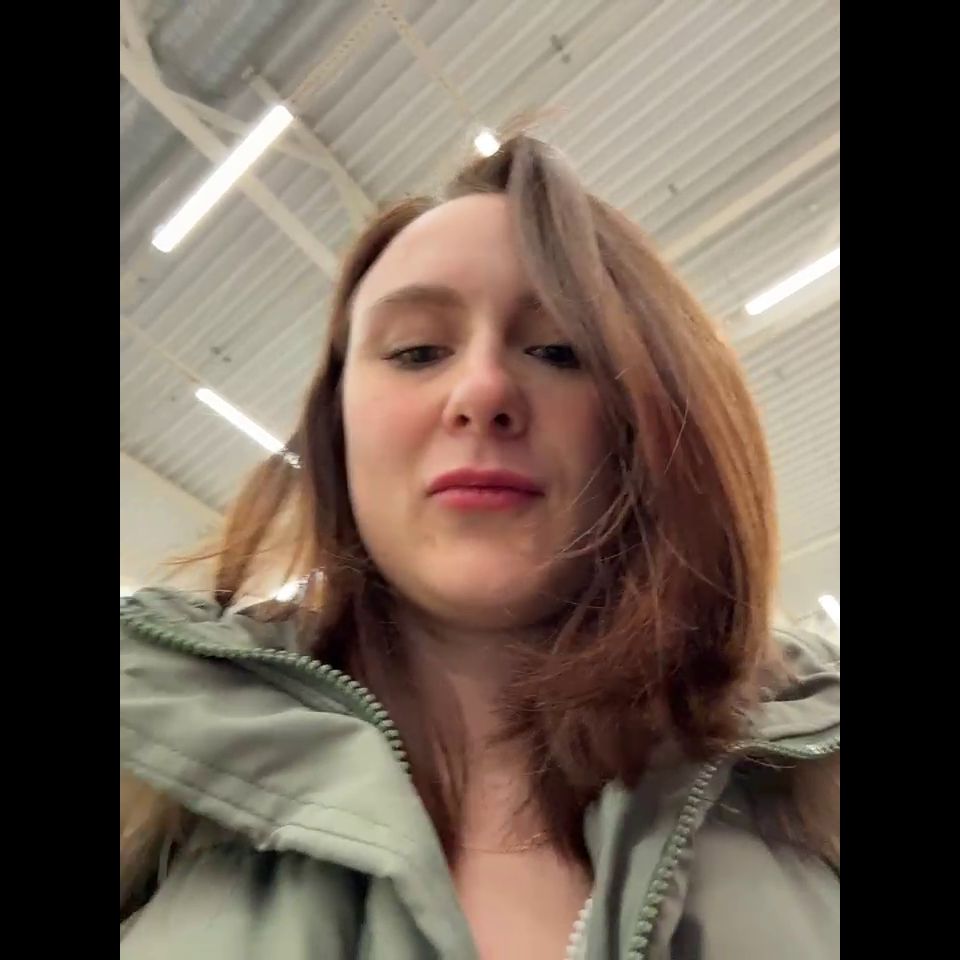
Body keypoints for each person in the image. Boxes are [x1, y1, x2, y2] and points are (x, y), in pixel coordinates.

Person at [120, 133, 839, 959]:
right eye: (417, 351)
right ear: (336, 427)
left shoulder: (816, 779)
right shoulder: (147, 771)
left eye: (560, 350)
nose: (483, 389)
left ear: (655, 420)